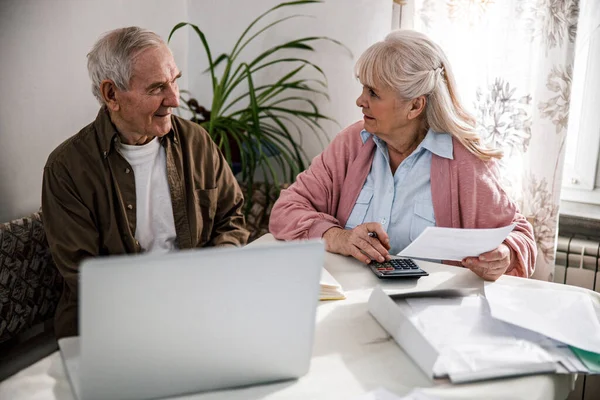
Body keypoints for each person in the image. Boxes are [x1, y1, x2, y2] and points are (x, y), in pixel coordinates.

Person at [269, 30, 536, 280]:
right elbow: (286, 209)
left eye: (373, 92)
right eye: (363, 88)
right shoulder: (352, 143)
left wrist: (505, 254)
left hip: (431, 315)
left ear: (415, 106)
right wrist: (339, 237)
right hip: (345, 303)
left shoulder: (465, 161)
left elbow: (520, 235)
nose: (360, 101)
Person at [42, 27, 249, 339]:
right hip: (113, 326)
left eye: (175, 80)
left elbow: (231, 216)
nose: (175, 99)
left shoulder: (196, 141)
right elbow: (87, 277)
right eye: (157, 88)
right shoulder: (67, 168)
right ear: (111, 94)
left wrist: (218, 270)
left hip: (198, 309)